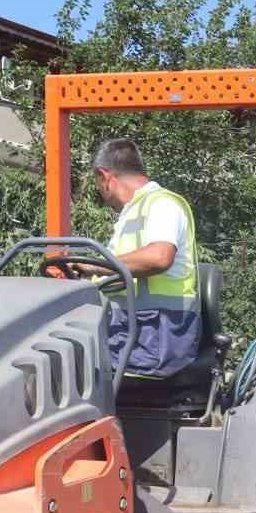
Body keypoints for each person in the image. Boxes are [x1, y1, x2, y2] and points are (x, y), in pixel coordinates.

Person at [86, 138, 201, 379]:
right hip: (134, 331)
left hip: (159, 338)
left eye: (97, 183)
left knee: (67, 365)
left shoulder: (163, 204)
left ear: (104, 176)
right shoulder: (131, 215)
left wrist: (95, 266)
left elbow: (159, 257)